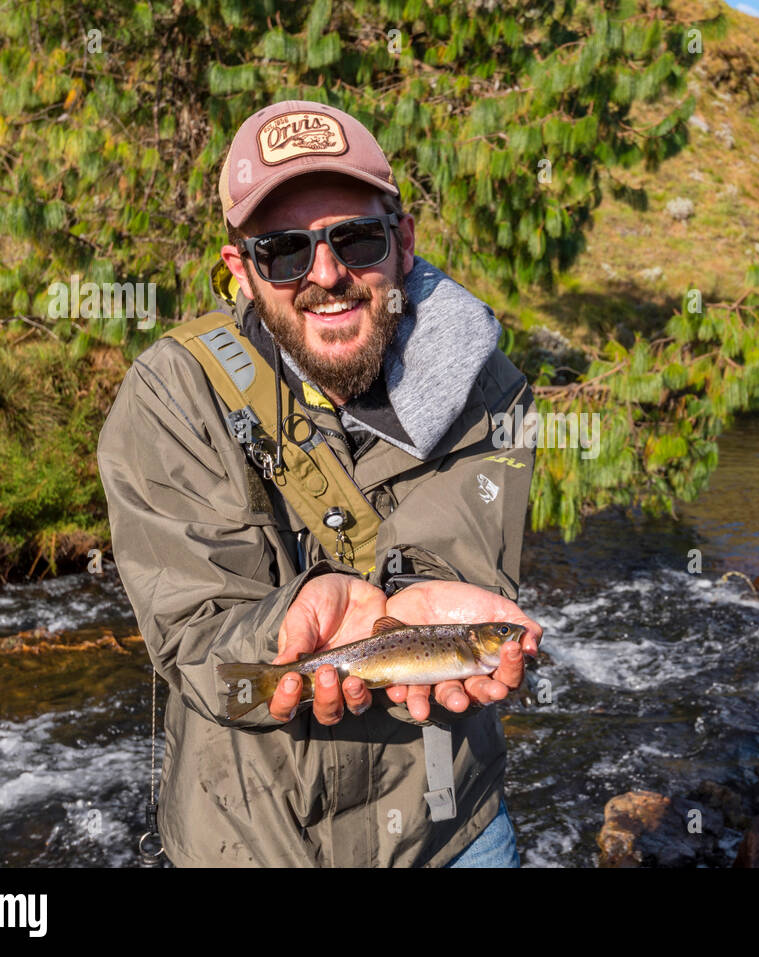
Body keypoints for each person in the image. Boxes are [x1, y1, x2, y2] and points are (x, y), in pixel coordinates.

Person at [96, 99, 542, 867]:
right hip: (249, 846)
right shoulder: (172, 395)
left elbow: (462, 571)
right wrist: (288, 631)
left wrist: (411, 610)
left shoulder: (488, 389)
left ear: (402, 242)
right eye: (284, 252)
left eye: (356, 238)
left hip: (450, 832)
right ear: (240, 270)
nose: (327, 275)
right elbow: (201, 649)